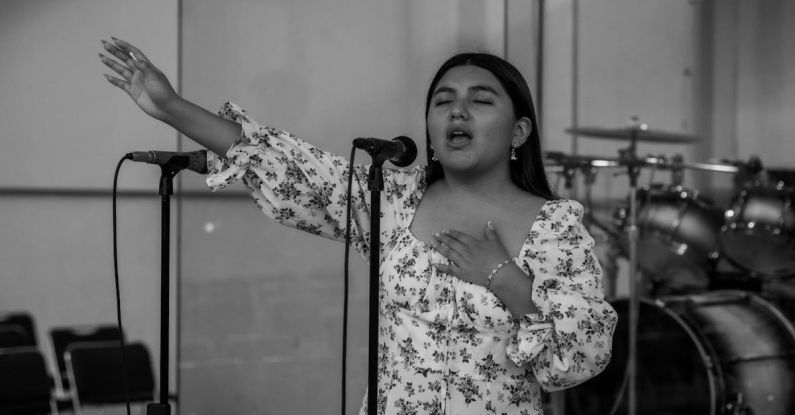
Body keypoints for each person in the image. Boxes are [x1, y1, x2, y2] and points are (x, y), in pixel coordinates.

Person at [99, 37, 617, 415]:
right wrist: (170, 107)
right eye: (443, 101)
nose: (458, 110)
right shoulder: (391, 198)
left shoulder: (554, 226)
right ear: (431, 131)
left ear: (519, 130)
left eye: (481, 100)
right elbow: (288, 165)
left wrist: (504, 277)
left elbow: (582, 355)